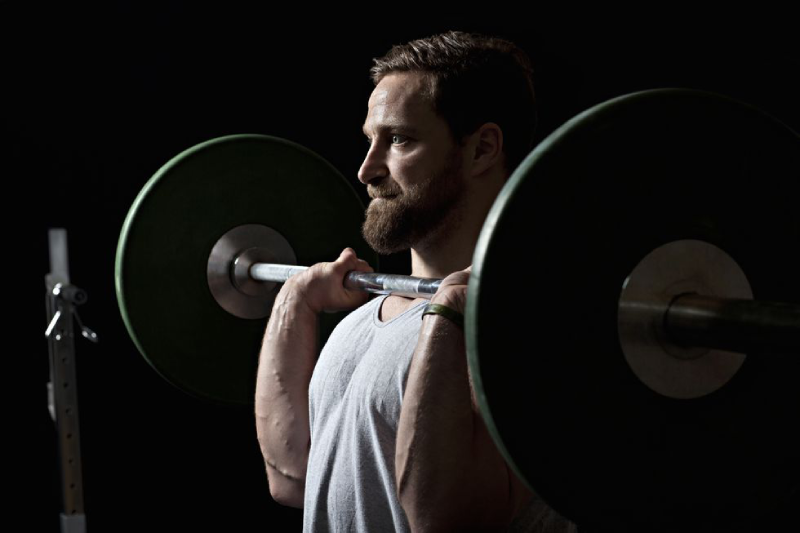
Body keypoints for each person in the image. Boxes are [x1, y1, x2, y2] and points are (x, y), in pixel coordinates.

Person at [255, 31, 576, 532]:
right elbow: (293, 479)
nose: (366, 169)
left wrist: (446, 314)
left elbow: (443, 517)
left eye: (399, 139)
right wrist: (294, 304)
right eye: (369, 141)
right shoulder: (360, 322)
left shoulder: (519, 324)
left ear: (481, 149)